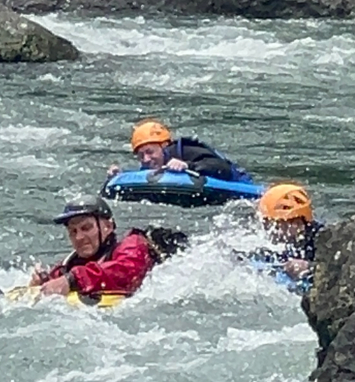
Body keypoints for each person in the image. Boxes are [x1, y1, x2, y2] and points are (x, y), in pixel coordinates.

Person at [29, 197, 156, 298]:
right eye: (73, 231)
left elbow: (126, 272)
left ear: (108, 226)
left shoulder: (133, 244)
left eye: (86, 228)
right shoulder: (69, 263)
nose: (79, 237)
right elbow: (59, 280)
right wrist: (43, 283)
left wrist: (72, 280)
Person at [108, 120, 247, 181]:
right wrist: (120, 175)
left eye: (150, 152)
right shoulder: (150, 165)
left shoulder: (185, 150)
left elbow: (222, 168)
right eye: (140, 155)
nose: (146, 159)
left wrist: (187, 165)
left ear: (164, 146)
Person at [250, 183, 323, 282]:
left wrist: (309, 267)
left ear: (297, 223)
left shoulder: (322, 239)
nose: (270, 230)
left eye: (276, 225)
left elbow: (336, 270)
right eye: (266, 223)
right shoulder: (273, 246)